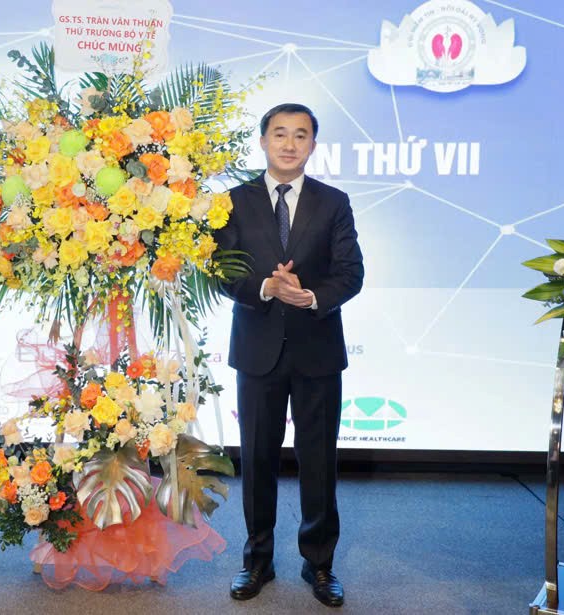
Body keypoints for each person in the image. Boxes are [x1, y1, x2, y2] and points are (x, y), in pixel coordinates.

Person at [215, 103, 363, 607]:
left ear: (313, 145)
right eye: (280, 133)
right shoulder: (233, 201)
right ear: (263, 141)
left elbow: (351, 273)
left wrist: (311, 296)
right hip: (257, 348)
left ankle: (319, 564)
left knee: (318, 461)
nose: (289, 144)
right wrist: (265, 288)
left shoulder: (333, 202)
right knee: (257, 459)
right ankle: (257, 560)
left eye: (301, 135)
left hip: (317, 348)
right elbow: (221, 270)